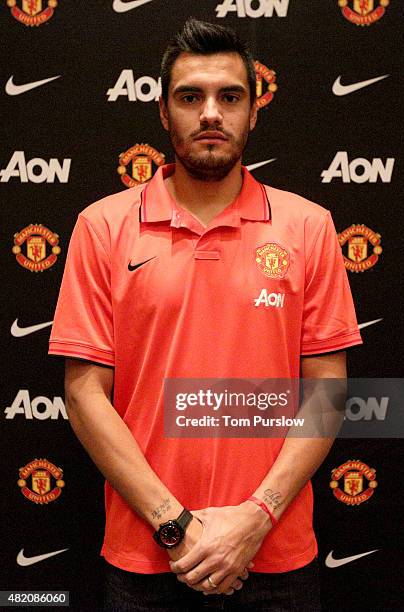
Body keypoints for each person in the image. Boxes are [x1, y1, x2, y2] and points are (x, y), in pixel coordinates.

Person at [48, 18, 362, 611]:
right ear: (165, 113)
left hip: (274, 557)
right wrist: (176, 526)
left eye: (230, 96)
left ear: (254, 111)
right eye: (190, 97)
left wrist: (253, 520)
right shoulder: (103, 226)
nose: (211, 113)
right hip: (148, 557)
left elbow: (327, 389)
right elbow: (85, 393)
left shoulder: (308, 226)